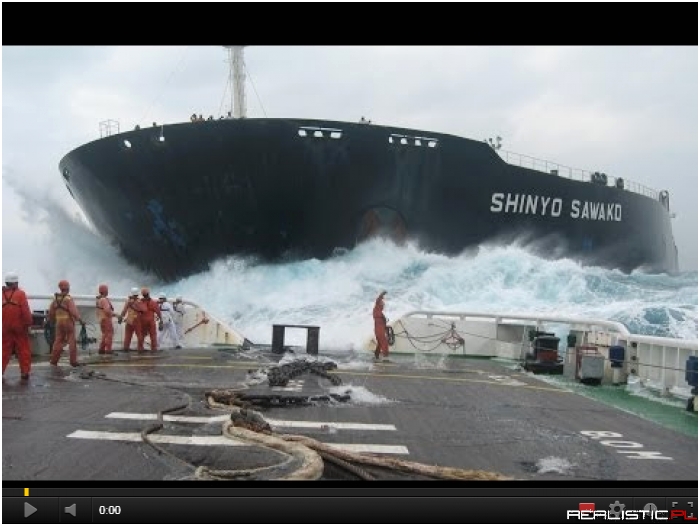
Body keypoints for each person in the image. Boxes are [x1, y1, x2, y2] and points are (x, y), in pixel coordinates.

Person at [2, 272, 33, 380]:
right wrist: (29, 323)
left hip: (4, 327)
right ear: (15, 283)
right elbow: (25, 310)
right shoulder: (20, 294)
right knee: (23, 349)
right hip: (19, 327)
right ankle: (25, 372)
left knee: (3, 350)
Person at [48, 280, 84, 368]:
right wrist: (80, 320)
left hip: (59, 323)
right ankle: (73, 361)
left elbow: (51, 312)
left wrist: (51, 320)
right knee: (72, 341)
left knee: (58, 341)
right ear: (67, 288)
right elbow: (73, 311)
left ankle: (54, 361)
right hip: (68, 322)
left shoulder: (55, 299)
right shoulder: (68, 299)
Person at [95, 284, 119, 355]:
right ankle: (108, 350)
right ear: (105, 291)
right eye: (107, 290)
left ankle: (101, 349)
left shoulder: (98, 299)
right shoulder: (104, 300)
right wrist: (116, 315)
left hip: (101, 319)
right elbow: (107, 311)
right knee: (109, 334)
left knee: (104, 335)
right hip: (106, 319)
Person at [120, 287, 144, 352]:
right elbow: (143, 311)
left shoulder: (128, 301)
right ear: (137, 294)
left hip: (129, 320)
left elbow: (124, 311)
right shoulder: (140, 301)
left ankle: (126, 348)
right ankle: (140, 348)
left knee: (128, 335)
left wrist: (121, 317)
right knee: (139, 335)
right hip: (137, 321)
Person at [138, 287, 161, 352]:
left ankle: (140, 348)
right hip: (151, 321)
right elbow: (158, 311)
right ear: (148, 293)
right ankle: (154, 348)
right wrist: (161, 319)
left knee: (142, 335)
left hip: (142, 321)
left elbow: (137, 311)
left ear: (142, 294)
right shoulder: (153, 302)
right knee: (153, 335)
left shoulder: (140, 302)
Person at [373, 291, 390, 361]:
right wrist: (381, 295)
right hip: (378, 329)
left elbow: (383, 323)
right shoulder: (376, 309)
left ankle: (376, 355)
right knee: (384, 342)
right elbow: (378, 300)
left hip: (380, 329)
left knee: (380, 343)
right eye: (382, 304)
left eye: (383, 305)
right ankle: (386, 357)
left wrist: (386, 328)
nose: (383, 306)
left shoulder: (381, 313)